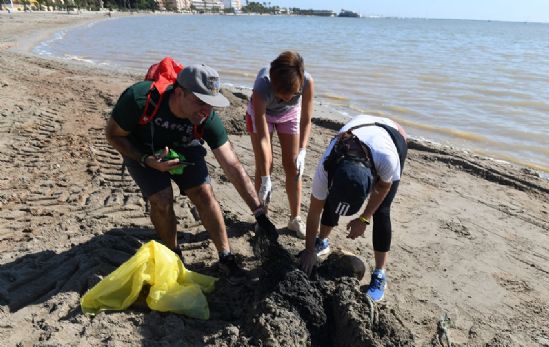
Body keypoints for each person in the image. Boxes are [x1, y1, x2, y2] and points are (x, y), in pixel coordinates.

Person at [105, 63, 278, 277]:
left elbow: (232, 166)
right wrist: (146, 159)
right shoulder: (139, 98)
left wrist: (259, 213)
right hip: (142, 150)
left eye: (211, 104)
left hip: (184, 147)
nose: (206, 110)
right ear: (179, 93)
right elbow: (113, 135)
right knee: (162, 199)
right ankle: (173, 254)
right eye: (200, 102)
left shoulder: (207, 118)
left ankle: (226, 257)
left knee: (204, 193)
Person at [299, 115, 408, 302]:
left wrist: (364, 218)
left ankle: (380, 273)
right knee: (334, 201)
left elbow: (383, 188)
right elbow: (315, 211)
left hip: (393, 136)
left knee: (382, 211)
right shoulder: (326, 166)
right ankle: (322, 241)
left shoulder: (387, 160)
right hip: (360, 127)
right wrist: (309, 250)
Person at [245, 50, 315, 239]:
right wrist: (267, 177)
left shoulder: (307, 81)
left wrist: (303, 150)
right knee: (264, 166)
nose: (287, 99)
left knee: (293, 166)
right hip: (261, 114)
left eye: (293, 95)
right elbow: (263, 138)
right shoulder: (261, 86)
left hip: (289, 115)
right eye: (283, 95)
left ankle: (295, 219)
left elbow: (306, 120)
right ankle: (262, 218)